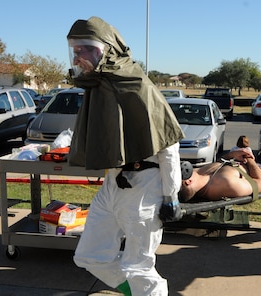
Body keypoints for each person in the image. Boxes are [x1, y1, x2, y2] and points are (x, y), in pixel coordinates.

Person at [67, 17, 185, 296]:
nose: (77, 55)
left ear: (104, 49)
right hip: (115, 183)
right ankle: (134, 292)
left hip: (145, 186)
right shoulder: (97, 86)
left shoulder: (136, 84)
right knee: (88, 255)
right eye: (74, 49)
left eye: (83, 48)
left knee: (139, 266)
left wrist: (171, 195)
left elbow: (168, 145)